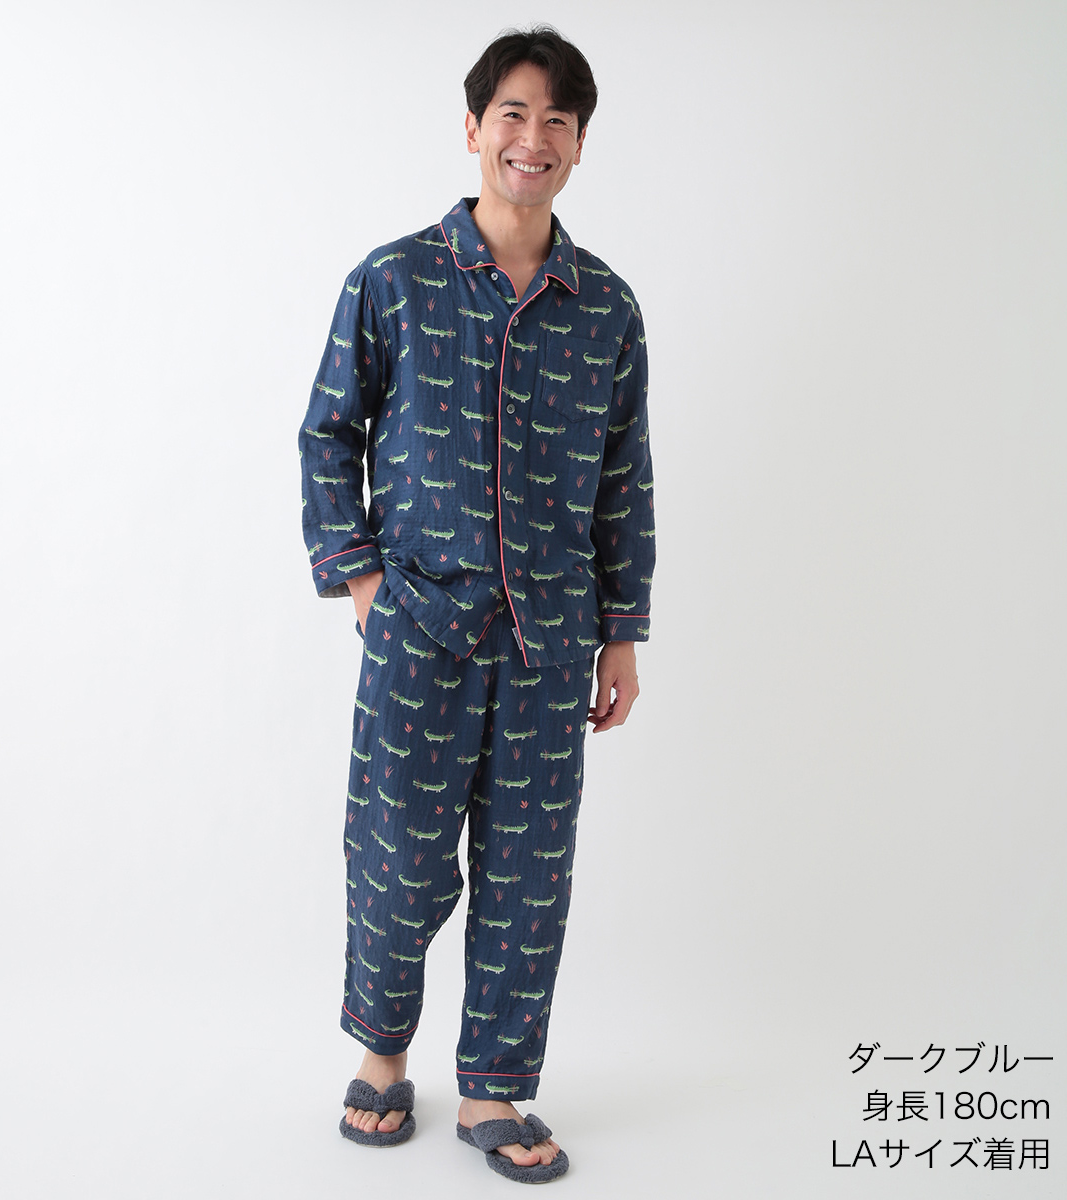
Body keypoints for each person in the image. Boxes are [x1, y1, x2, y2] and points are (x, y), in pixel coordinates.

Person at [298, 25, 654, 1184]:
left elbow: (624, 478)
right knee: (398, 856)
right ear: (472, 128)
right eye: (513, 112)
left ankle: (494, 1087)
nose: (532, 137)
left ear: (579, 146)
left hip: (552, 640)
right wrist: (361, 578)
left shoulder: (605, 307)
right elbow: (328, 433)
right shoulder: (395, 279)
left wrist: (622, 635)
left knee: (529, 873)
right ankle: (383, 1055)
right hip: (419, 629)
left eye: (558, 120)